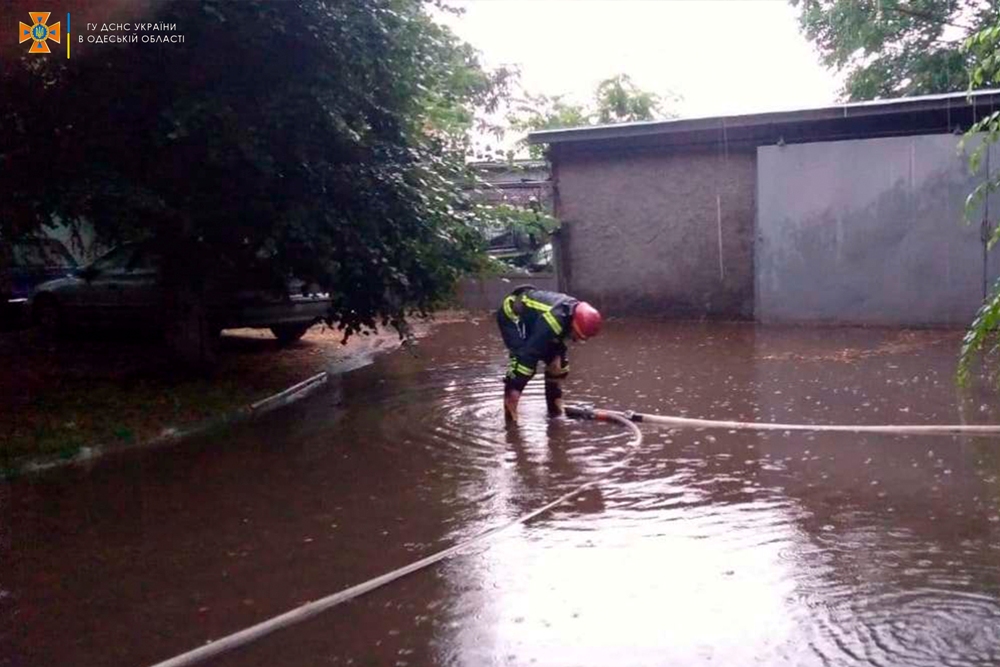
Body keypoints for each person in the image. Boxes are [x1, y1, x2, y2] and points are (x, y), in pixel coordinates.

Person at [496, 285, 603, 423]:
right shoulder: (553, 321)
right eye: (577, 335)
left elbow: (558, 348)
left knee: (558, 366)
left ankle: (555, 413)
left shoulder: (571, 315)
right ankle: (511, 419)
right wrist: (518, 380)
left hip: (536, 321)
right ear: (574, 326)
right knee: (523, 365)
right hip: (514, 316)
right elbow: (530, 353)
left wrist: (557, 364)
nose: (576, 340)